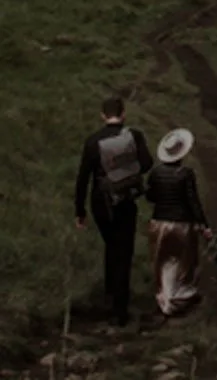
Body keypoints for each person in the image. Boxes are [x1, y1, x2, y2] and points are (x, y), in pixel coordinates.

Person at [74, 95, 154, 327]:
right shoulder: (134, 135)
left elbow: (82, 178)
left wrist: (80, 211)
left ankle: (110, 296)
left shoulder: (92, 141)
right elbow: (147, 163)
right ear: (124, 113)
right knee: (124, 251)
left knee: (111, 246)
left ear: (102, 115)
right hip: (125, 200)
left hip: (100, 201)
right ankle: (120, 310)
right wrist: (127, 170)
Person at [145, 128, 211, 317]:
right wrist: (203, 224)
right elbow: (193, 201)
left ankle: (165, 299)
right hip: (182, 224)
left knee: (162, 262)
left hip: (159, 223)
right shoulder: (186, 174)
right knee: (184, 263)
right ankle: (179, 298)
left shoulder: (156, 173)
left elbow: (150, 196)